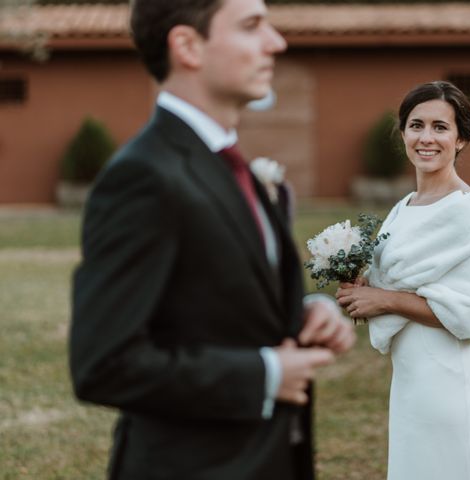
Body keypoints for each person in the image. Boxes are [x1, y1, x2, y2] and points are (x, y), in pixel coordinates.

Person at [68, 0, 355, 479]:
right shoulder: (144, 176)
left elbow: (219, 298)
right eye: (251, 26)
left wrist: (304, 312)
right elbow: (105, 363)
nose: (275, 42)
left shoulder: (227, 163)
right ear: (187, 46)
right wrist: (264, 375)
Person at [337, 81, 470, 479]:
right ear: (403, 134)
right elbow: (396, 280)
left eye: (440, 127)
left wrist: (385, 300)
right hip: (412, 370)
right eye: (416, 126)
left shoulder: (465, 209)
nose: (426, 138)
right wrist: (361, 288)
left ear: (461, 138)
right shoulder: (403, 207)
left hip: (447, 372)